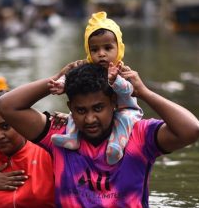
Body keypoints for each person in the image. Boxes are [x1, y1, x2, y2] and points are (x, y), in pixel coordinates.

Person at [0, 63, 199, 208]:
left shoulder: (139, 135)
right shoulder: (59, 138)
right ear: (70, 109)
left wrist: (144, 93)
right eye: (80, 110)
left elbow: (191, 130)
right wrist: (57, 78)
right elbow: (7, 106)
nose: (90, 119)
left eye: (98, 108)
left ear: (113, 102)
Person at [48, 11, 143, 165]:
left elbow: (128, 90)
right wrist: (60, 83)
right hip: (102, 115)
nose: (101, 54)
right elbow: (71, 77)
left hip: (125, 109)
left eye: (107, 48)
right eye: (95, 49)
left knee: (123, 119)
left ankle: (116, 146)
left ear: (119, 48)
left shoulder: (123, 70)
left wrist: (115, 80)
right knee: (77, 111)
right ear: (88, 50)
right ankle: (72, 138)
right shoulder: (87, 68)